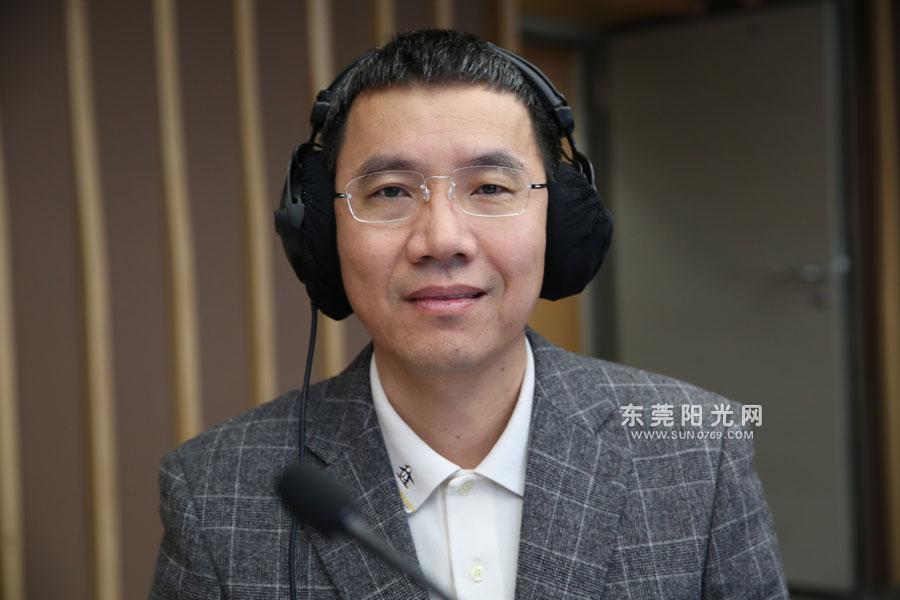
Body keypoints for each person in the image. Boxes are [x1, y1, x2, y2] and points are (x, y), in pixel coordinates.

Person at [151, 29, 788, 599]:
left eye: (489, 187)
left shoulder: (699, 452)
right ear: (319, 231)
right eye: (390, 191)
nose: (443, 240)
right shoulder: (213, 489)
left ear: (561, 220)